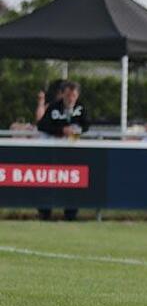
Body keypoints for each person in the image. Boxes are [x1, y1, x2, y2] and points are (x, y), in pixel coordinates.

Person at [36, 81, 89, 221]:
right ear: (62, 94)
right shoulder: (54, 107)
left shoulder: (81, 108)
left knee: (73, 182)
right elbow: (42, 126)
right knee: (48, 180)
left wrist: (76, 130)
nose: (71, 99)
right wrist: (61, 130)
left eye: (73, 95)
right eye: (68, 95)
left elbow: (87, 126)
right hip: (52, 152)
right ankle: (45, 213)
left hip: (72, 151)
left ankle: (70, 214)